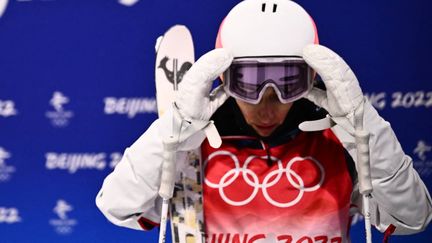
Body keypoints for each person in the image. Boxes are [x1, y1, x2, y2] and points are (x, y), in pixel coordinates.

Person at [96, 0, 432, 242]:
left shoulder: (339, 143)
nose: (266, 109)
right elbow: (117, 206)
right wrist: (174, 129)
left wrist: (364, 129)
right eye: (248, 88)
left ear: (311, 78)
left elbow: (413, 218)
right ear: (223, 78)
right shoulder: (192, 146)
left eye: (286, 88)